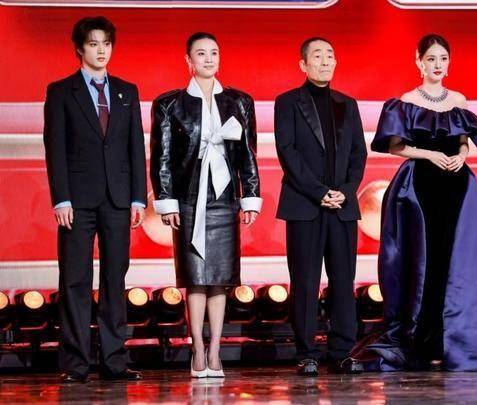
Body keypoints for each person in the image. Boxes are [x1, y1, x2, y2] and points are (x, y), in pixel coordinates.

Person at [352, 34, 477, 372]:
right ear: (419, 62)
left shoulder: (458, 99)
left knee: (455, 260)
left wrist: (461, 155)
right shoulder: (405, 101)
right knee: (425, 261)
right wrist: (430, 154)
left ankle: (454, 339)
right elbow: (395, 147)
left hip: (455, 186)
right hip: (420, 187)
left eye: (443, 59)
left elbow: (464, 141)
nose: (438, 65)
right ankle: (424, 339)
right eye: (431, 59)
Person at [150, 32, 261, 378]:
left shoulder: (239, 102)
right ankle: (197, 347)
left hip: (224, 198)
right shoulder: (169, 104)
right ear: (188, 60)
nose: (209, 59)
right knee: (195, 277)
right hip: (188, 197)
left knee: (220, 278)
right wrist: (166, 201)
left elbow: (248, 154)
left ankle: (216, 350)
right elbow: (162, 157)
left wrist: (250, 195)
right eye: (201, 53)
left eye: (214, 52)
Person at [43, 16, 146, 382]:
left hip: (118, 199)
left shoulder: (126, 91)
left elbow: (136, 147)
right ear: (79, 49)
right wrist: (61, 199)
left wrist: (138, 198)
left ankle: (115, 360)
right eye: (93, 44)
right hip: (77, 201)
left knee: (115, 279)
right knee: (75, 279)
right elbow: (55, 148)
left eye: (106, 44)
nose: (101, 50)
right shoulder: (61, 91)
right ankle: (75, 363)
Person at [274, 37, 367, 376]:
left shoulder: (348, 104)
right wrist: (319, 192)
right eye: (318, 56)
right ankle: (307, 353)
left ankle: (342, 351)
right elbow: (288, 153)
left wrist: (345, 191)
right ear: (303, 64)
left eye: (330, 55)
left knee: (343, 281)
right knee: (305, 281)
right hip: (305, 205)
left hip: (342, 207)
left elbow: (358, 153)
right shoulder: (287, 102)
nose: (326, 61)